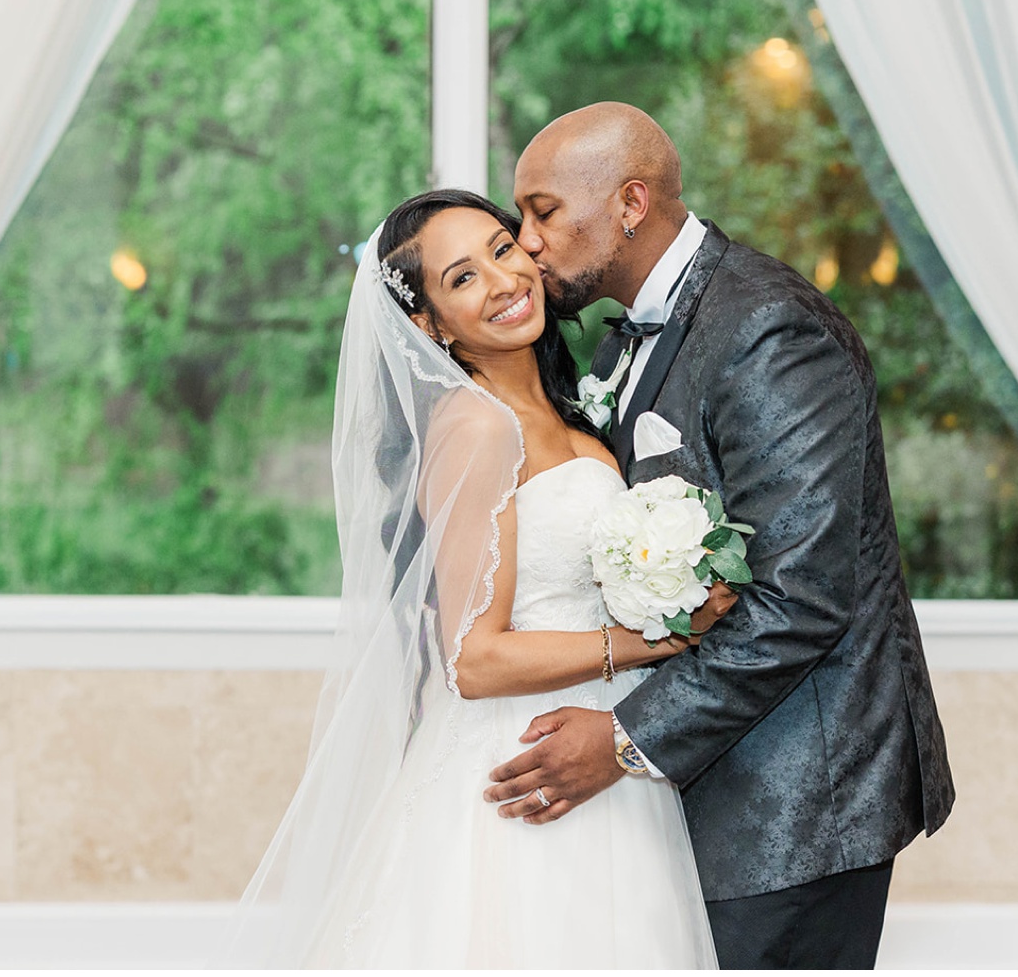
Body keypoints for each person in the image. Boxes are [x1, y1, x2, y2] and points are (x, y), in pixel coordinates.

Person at [485, 102, 956, 970]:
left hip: (796, 802)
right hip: (693, 802)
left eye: (543, 211)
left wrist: (625, 739)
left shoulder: (770, 328)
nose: (527, 242)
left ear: (631, 203)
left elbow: (801, 599)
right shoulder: (614, 347)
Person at [223, 189, 725, 968]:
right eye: (462, 278)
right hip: (526, 756)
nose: (502, 280)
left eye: (501, 248)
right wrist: (660, 638)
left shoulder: (572, 409)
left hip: (605, 745)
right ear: (430, 325)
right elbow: (473, 658)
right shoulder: (478, 425)